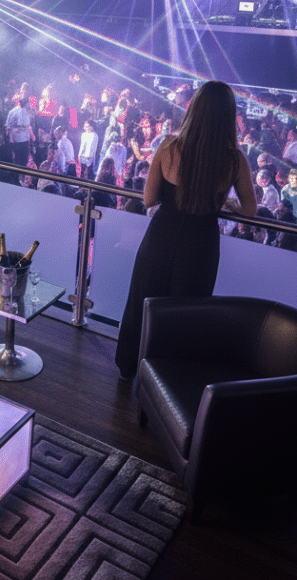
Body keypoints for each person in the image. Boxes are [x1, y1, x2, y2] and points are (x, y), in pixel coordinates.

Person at [114, 81, 258, 381]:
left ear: (193, 109)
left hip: (161, 236)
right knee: (186, 312)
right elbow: (250, 209)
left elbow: (149, 198)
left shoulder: (169, 146)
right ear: (229, 116)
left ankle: (130, 367)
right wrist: (226, 201)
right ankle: (167, 377)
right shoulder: (234, 159)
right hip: (201, 244)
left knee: (143, 299)